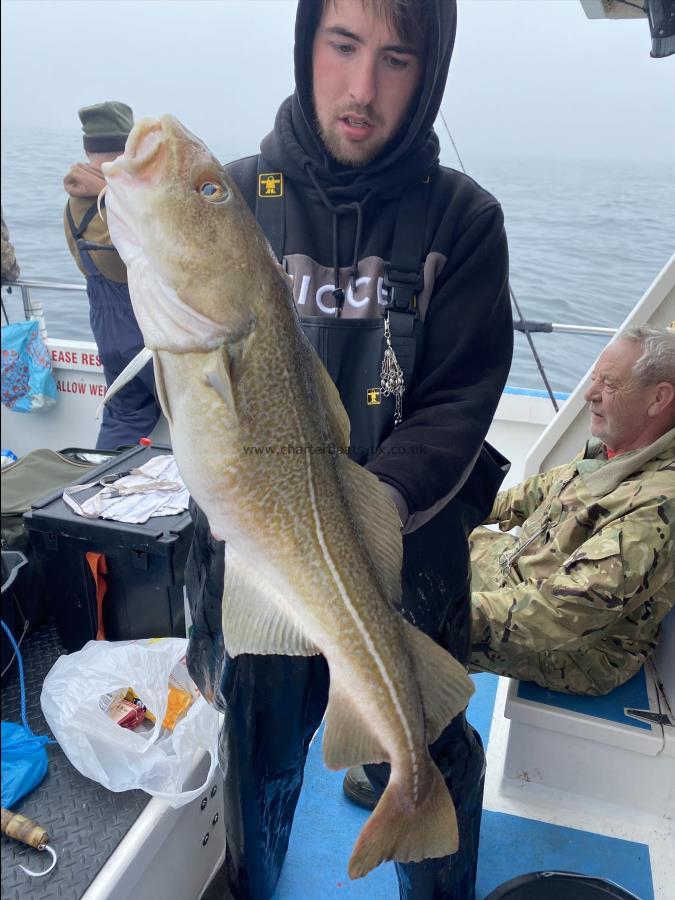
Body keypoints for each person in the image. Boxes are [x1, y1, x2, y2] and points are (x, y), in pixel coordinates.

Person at [185, 2, 513, 898]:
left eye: (396, 58)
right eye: (342, 46)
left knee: (433, 745)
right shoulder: (237, 199)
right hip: (259, 557)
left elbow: (455, 404)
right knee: (258, 751)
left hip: (409, 553)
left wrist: (362, 519)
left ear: (429, 69)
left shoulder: (463, 220)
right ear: (306, 46)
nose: (362, 87)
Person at [470, 325, 675, 696]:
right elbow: (539, 492)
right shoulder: (613, 448)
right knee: (425, 543)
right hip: (524, 574)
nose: (589, 394)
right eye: (594, 378)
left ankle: (444, 748)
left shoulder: (661, 504)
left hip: (581, 650)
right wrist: (448, 509)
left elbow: (559, 614)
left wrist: (444, 612)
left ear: (658, 399)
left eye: (608, 384)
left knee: (411, 619)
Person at [63, 101, 160, 450]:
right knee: (195, 414)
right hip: (146, 329)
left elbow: (82, 262)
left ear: (88, 147)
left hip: (105, 329)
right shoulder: (128, 200)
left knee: (124, 416)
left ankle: (105, 489)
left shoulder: (73, 203)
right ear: (129, 147)